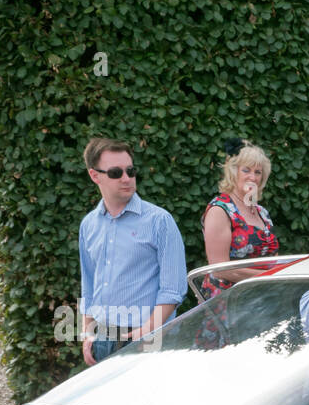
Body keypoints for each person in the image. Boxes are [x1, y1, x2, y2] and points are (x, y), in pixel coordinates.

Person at [78, 136, 187, 364]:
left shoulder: (160, 222)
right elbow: (88, 285)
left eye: (131, 171)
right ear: (94, 175)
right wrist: (87, 334)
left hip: (149, 339)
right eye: (116, 173)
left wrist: (145, 333)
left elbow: (173, 290)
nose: (127, 178)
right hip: (103, 338)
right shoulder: (88, 225)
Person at [200, 138, 279, 300]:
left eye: (258, 172)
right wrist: (268, 277)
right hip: (226, 303)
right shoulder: (220, 209)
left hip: (261, 299)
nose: (253, 177)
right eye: (246, 170)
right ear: (233, 172)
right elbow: (220, 269)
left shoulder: (262, 213)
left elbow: (273, 259)